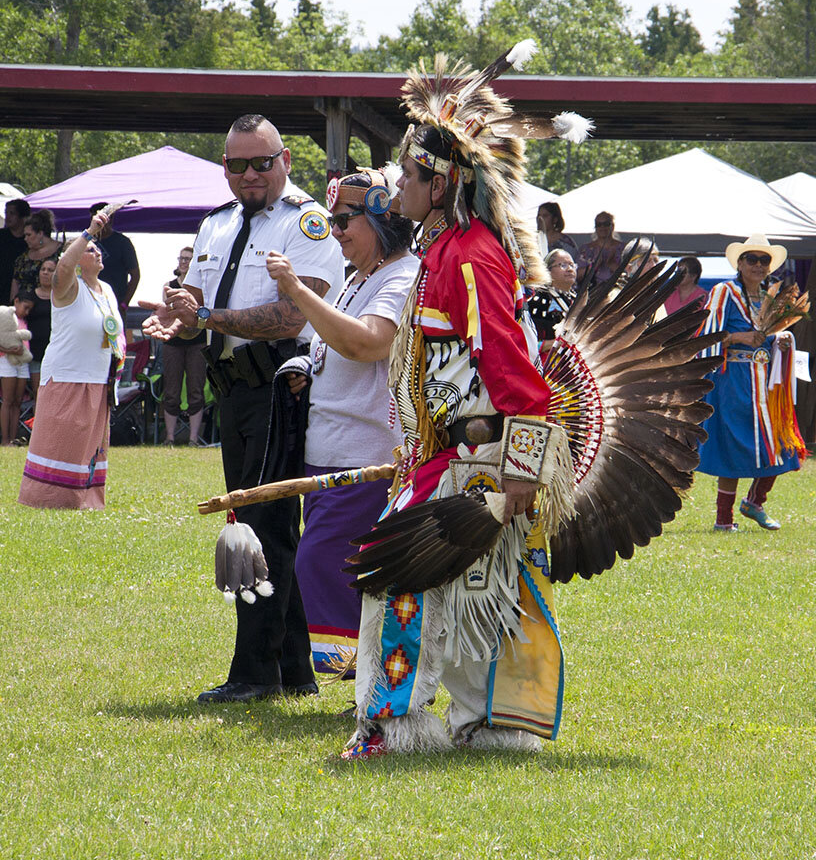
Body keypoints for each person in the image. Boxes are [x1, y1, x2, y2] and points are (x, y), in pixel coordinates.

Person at [342, 48, 577, 760]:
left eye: (409, 176)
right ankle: (488, 725)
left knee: (407, 585)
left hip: (478, 459)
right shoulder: (441, 249)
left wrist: (519, 477)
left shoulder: (471, 258)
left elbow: (517, 380)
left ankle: (398, 727)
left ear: (442, 184)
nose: (396, 189)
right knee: (475, 594)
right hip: (442, 454)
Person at [141, 114, 344, 704]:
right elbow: (206, 300)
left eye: (262, 162)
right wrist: (180, 312)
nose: (250, 174)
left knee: (263, 526)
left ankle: (254, 674)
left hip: (282, 387)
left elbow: (294, 315)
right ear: (224, 167)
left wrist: (207, 318)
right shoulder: (217, 224)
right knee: (267, 524)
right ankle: (293, 670)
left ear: (285, 160)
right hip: (232, 387)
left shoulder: (308, 224)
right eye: (237, 164)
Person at [264, 167, 419, 677]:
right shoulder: (359, 278)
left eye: (345, 219)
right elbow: (336, 348)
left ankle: (365, 666)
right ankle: (374, 670)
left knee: (319, 559)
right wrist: (305, 368)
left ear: (381, 217)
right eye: (332, 219)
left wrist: (294, 288)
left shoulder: (403, 275)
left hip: (368, 454)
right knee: (352, 567)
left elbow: (368, 341)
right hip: (330, 449)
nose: (336, 230)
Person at [696, 234, 806, 532]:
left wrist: (782, 341)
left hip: (768, 383)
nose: (758, 265)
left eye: (764, 260)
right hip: (733, 381)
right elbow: (706, 336)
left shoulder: (771, 298)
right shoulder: (724, 292)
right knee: (732, 446)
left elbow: (771, 337)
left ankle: (755, 501)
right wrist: (737, 337)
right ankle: (723, 519)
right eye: (752, 259)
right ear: (740, 263)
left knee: (780, 441)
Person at [18, 212, 124, 509]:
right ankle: (49, 500)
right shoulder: (67, 288)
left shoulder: (108, 291)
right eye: (90, 249)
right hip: (67, 377)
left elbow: (114, 332)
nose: (97, 250)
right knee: (62, 442)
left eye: (97, 247)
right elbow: (63, 266)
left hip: (98, 379)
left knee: (88, 445)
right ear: (76, 259)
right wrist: (89, 231)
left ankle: (87, 500)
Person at [159, 246, 208, 445]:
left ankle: (193, 439)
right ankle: (169, 438)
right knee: (171, 388)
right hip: (173, 341)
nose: (184, 262)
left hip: (197, 341)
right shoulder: (168, 285)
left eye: (188, 259)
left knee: (196, 387)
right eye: (182, 258)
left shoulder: (203, 286)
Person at [0, 290, 35, 446]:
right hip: (7, 360)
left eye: (29, 309)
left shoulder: (24, 321)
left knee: (18, 400)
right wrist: (9, 350)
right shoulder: (4, 317)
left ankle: (12, 437)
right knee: (7, 400)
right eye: (25, 307)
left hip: (23, 362)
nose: (26, 312)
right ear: (16, 302)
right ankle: (4, 439)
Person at [89, 202, 140, 315]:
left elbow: (135, 275)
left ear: (110, 220)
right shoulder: (86, 242)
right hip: (90, 303)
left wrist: (124, 303)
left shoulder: (122, 243)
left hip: (115, 305)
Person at [527, 248, 577, 357]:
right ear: (548, 270)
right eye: (563, 265)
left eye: (572, 265)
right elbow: (527, 342)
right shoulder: (537, 300)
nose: (570, 269)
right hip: (546, 364)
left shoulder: (578, 298)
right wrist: (555, 343)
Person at [12, 210, 62, 299]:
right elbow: (15, 282)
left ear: (40, 233)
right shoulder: (23, 258)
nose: (25, 239)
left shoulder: (62, 252)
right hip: (24, 307)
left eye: (28, 235)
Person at [26, 257, 56, 398]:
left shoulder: (61, 297)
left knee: (55, 394)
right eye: (43, 269)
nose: (45, 273)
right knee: (39, 393)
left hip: (56, 353)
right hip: (35, 353)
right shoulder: (29, 296)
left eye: (50, 270)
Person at [0, 198, 29, 308]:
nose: (7, 217)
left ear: (22, 216)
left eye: (12, 213)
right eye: (6, 213)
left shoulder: (28, 239)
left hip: (21, 291)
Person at [577, 211, 625, 285]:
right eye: (598, 224)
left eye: (606, 224)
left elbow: (629, 274)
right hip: (592, 291)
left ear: (612, 226)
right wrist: (594, 265)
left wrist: (611, 264)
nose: (602, 227)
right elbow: (577, 276)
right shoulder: (585, 249)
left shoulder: (624, 248)